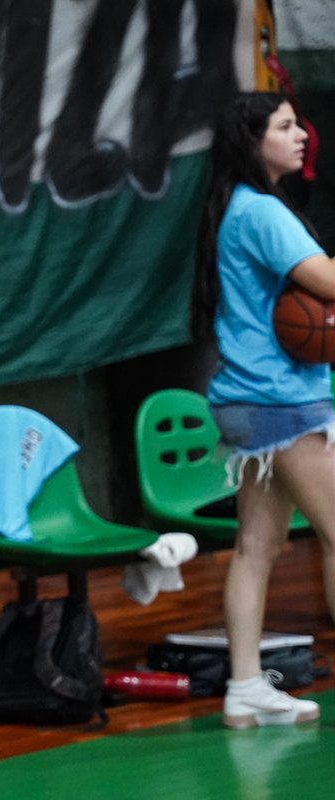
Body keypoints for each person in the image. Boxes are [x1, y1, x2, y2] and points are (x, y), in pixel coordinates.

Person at [190, 91, 333, 729]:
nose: (301, 134)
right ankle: (246, 686)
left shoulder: (235, 207)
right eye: (284, 126)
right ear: (254, 141)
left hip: (244, 401)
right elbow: (326, 282)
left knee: (257, 545)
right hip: (283, 402)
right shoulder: (266, 213)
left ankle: (245, 686)